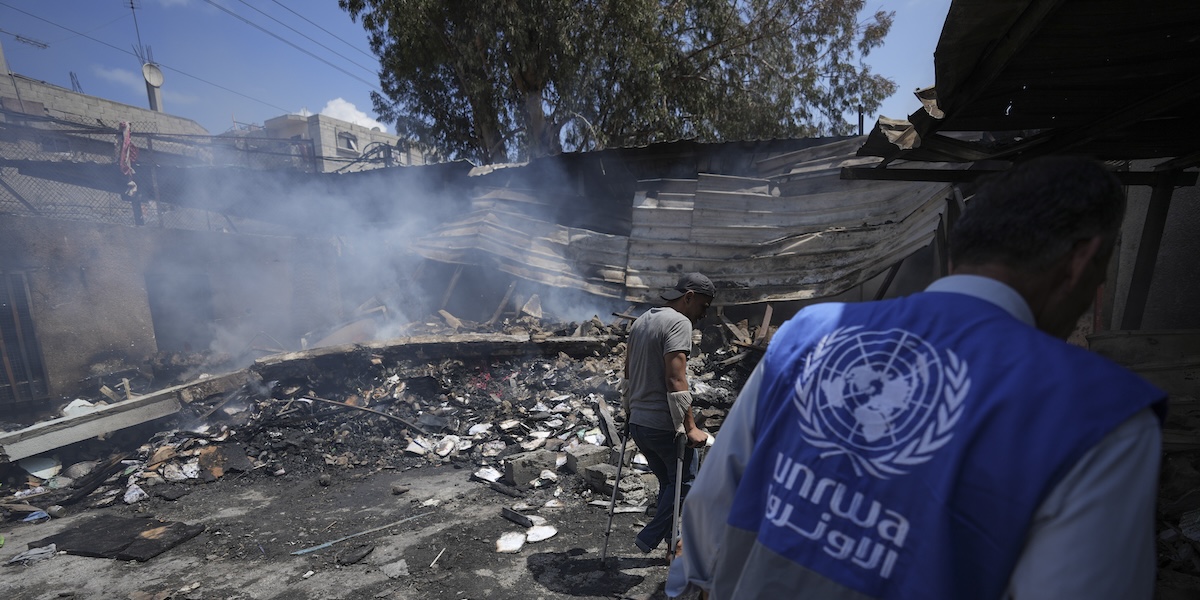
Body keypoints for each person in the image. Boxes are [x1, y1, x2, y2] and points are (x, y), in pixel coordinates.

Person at [666, 156, 1166, 600]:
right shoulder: (1101, 416)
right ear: (1082, 261)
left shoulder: (809, 336)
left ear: (956, 254)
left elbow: (712, 510)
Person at [623, 272, 715, 556]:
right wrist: (690, 428)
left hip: (639, 422)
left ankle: (672, 541)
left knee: (669, 483)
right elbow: (676, 380)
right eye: (703, 306)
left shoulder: (641, 321)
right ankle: (649, 537)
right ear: (688, 297)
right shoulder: (679, 322)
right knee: (687, 481)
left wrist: (629, 414)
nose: (703, 315)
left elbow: (627, 375)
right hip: (662, 424)